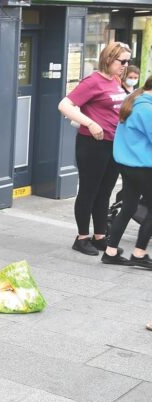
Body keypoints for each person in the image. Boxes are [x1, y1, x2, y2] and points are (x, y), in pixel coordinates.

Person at [58, 42, 131, 255]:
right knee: (89, 192)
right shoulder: (92, 81)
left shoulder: (116, 80)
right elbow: (64, 105)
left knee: (105, 192)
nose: (125, 66)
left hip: (113, 144)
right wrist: (90, 122)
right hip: (93, 145)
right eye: (122, 61)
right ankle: (82, 238)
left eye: (128, 61)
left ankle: (100, 235)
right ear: (108, 59)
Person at [101, 75, 152, 270]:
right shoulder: (147, 110)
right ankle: (139, 253)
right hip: (143, 167)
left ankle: (110, 252)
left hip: (128, 165)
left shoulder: (134, 100)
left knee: (129, 207)